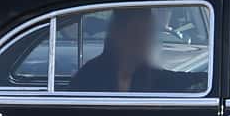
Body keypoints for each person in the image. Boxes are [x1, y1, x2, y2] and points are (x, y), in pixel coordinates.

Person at [68, 9, 201, 94]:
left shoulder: (149, 74)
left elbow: (178, 80)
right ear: (117, 35)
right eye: (136, 34)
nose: (144, 41)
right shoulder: (89, 78)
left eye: (148, 33)